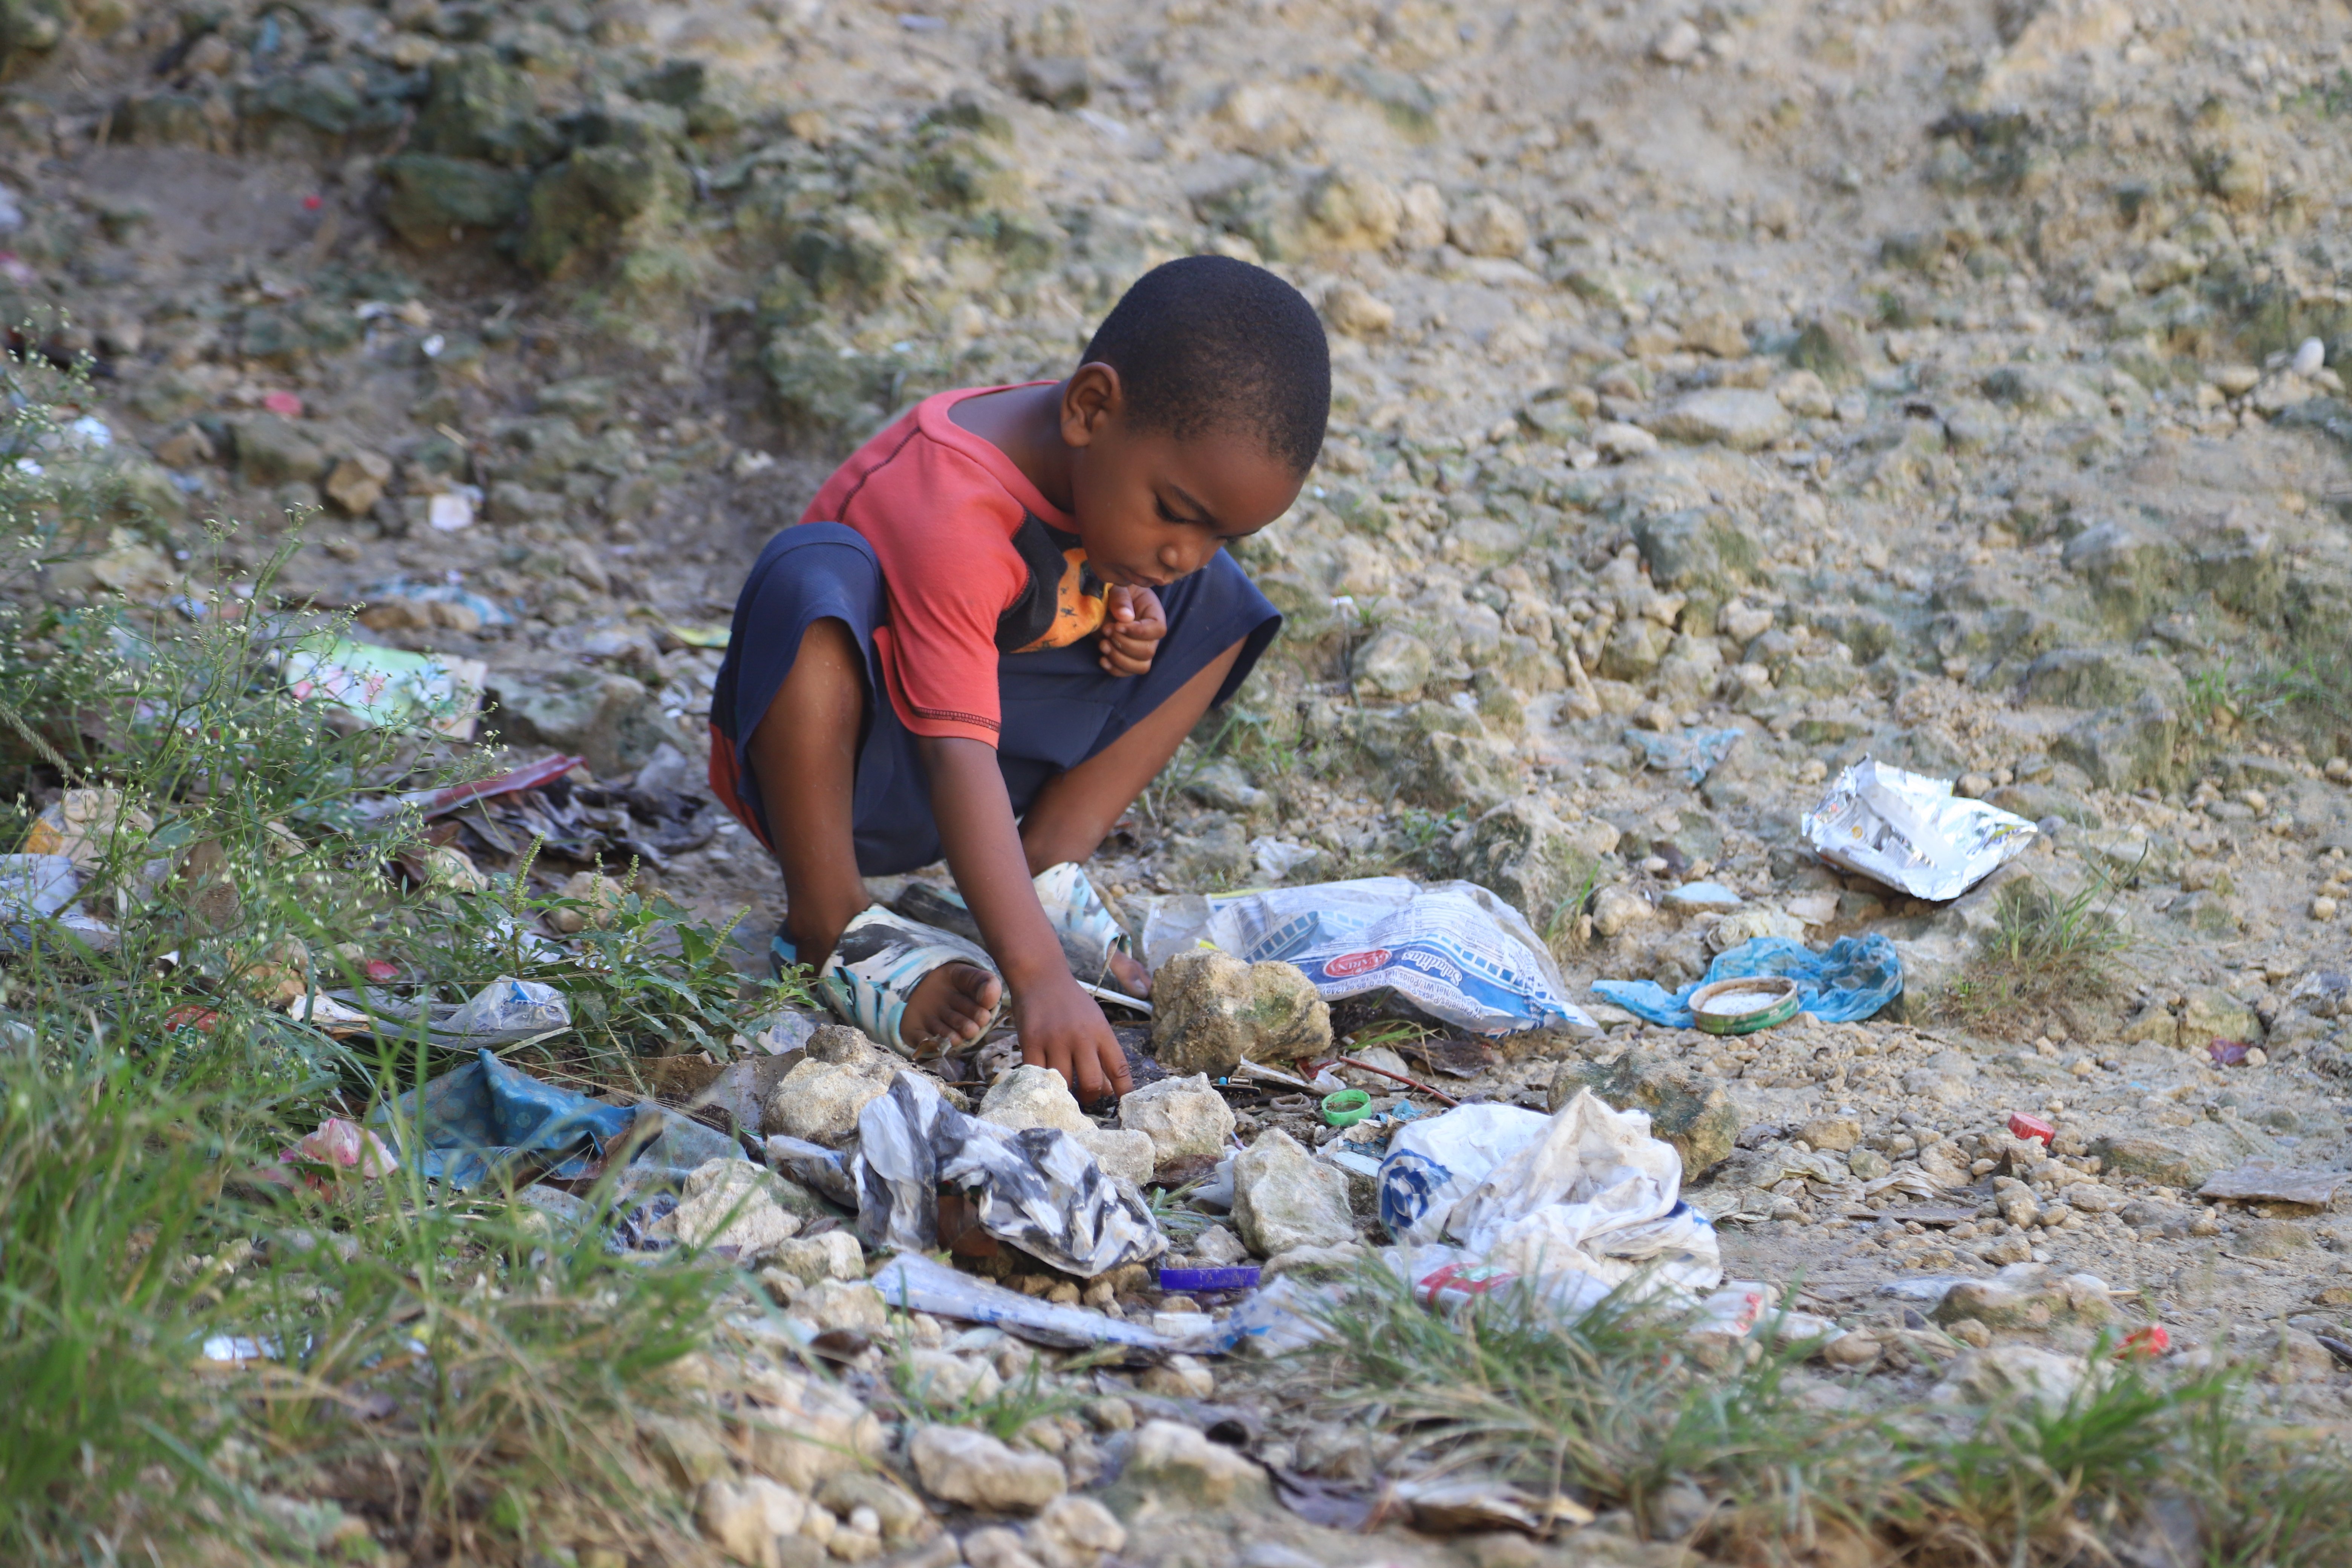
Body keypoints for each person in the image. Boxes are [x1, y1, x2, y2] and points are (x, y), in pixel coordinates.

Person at [709, 255, 1329, 1104]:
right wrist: (1039, 976)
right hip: (857, 775)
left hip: (992, 735)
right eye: (1178, 514)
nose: (1186, 550)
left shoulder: (1118, 456)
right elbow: (955, 752)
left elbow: (1079, 578)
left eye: (1224, 530)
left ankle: (1041, 866)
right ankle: (830, 922)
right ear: (1090, 408)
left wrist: (1133, 593)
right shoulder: (954, 507)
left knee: (1222, 605)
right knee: (806, 575)